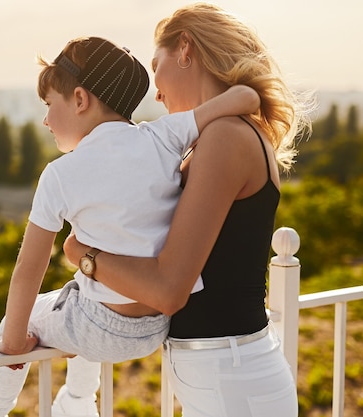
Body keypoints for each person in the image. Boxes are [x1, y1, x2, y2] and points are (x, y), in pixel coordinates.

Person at [0, 35, 260, 417]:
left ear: (80, 99)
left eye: (49, 105)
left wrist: (14, 344)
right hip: (157, 326)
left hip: (100, 327)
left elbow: (28, 271)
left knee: (21, 319)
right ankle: (77, 402)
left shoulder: (60, 175)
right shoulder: (164, 135)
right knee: (79, 292)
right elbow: (247, 97)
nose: (45, 119)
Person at [62, 4, 314, 417]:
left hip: (231, 383)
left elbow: (169, 289)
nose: (155, 91)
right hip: (224, 376)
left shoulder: (226, 137)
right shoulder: (222, 134)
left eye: (155, 66)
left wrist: (83, 256)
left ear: (185, 49)